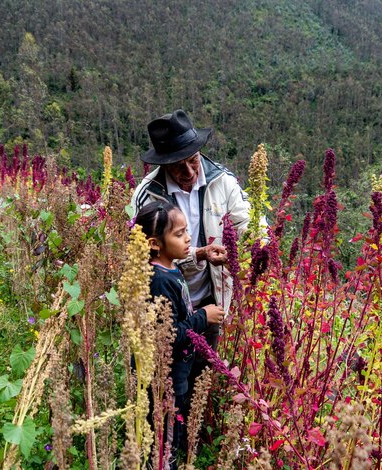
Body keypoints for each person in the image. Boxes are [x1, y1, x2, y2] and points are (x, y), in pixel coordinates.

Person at [131, 109, 250, 322]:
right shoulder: (147, 195)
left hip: (213, 300)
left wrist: (245, 251)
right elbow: (141, 252)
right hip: (166, 303)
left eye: (193, 160)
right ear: (164, 163)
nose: (189, 172)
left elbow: (249, 224)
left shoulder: (223, 181)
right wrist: (198, 254)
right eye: (178, 166)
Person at [135, 201, 224, 464]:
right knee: (165, 438)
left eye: (187, 231)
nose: (188, 239)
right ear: (154, 243)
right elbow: (167, 335)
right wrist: (203, 317)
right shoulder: (159, 280)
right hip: (166, 376)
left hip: (177, 374)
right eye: (179, 234)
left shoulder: (171, 268)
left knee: (173, 427)